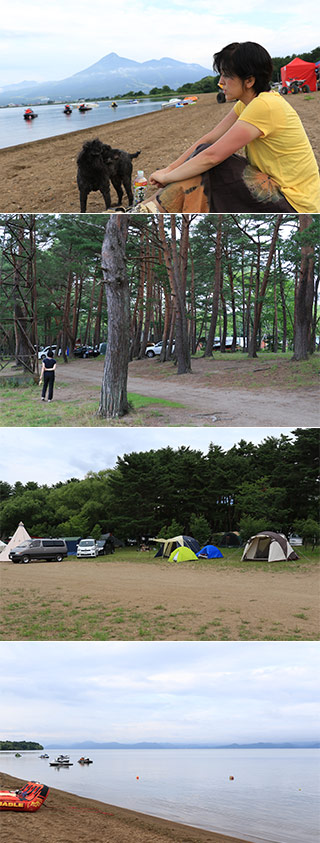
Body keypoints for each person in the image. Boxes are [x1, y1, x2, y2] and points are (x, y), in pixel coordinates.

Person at [135, 42, 320, 213]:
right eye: (221, 74)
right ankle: (149, 207)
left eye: (227, 75)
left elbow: (212, 156)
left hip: (294, 204)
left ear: (249, 81)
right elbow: (208, 140)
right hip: (273, 188)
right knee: (205, 160)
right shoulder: (249, 103)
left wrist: (168, 177)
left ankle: (149, 208)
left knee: (215, 166)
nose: (221, 82)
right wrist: (169, 169)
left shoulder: (265, 106)